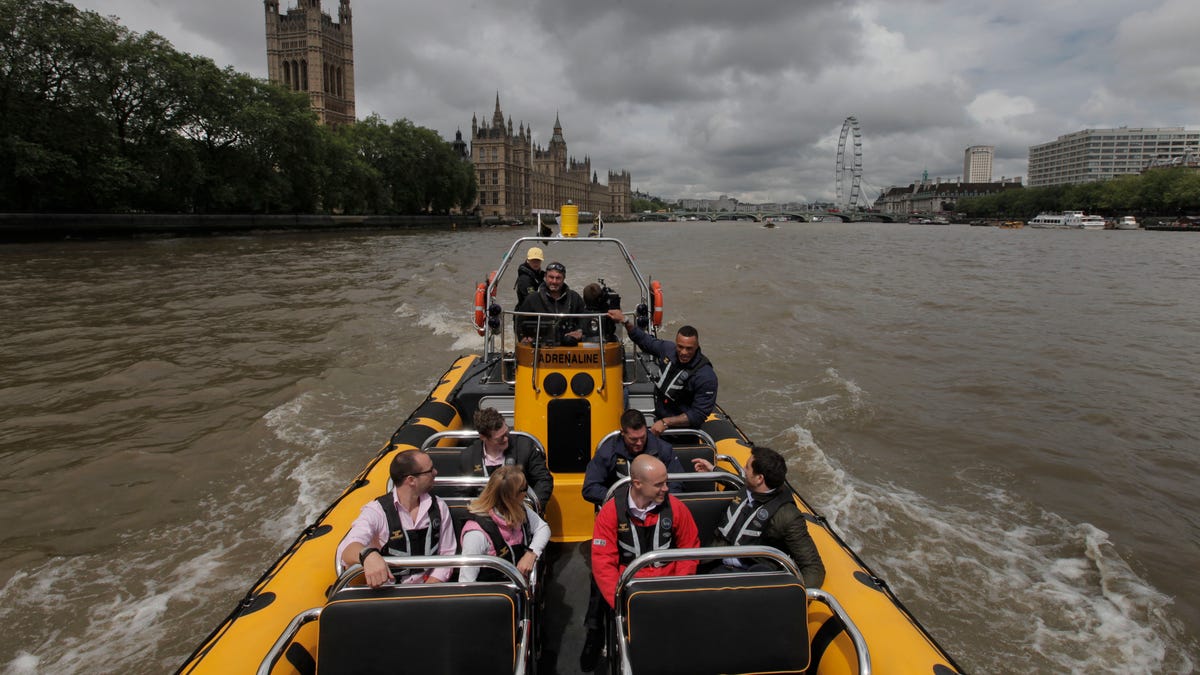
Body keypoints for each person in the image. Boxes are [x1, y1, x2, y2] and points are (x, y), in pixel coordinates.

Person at [583, 455, 699, 671]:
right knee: (597, 587)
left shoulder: (676, 508)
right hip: (628, 586)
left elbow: (689, 549)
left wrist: (679, 587)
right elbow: (603, 562)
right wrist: (620, 600)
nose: (666, 488)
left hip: (669, 584)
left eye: (666, 482)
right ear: (637, 484)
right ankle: (595, 634)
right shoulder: (610, 513)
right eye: (659, 484)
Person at [692, 446, 825, 588]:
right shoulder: (750, 488)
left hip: (749, 578)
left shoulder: (787, 516)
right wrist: (713, 470)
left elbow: (813, 567)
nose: (744, 468)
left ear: (759, 479)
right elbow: (740, 481)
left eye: (748, 467)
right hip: (716, 563)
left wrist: (792, 596)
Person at [337, 449, 456, 588]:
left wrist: (426, 590)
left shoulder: (439, 507)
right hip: (390, 594)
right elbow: (347, 548)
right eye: (430, 471)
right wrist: (368, 555)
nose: (435, 472)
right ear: (411, 480)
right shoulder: (377, 512)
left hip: (430, 589)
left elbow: (447, 554)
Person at [607, 309, 717, 434]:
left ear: (697, 347)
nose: (684, 352)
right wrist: (626, 321)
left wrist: (666, 422)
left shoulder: (706, 376)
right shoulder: (668, 350)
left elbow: (698, 415)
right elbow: (645, 341)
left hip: (683, 432)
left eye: (689, 349)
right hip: (659, 419)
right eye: (680, 347)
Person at [458, 466, 551, 582]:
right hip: (495, 595)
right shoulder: (476, 534)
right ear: (511, 498)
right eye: (524, 489)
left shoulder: (521, 510)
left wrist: (531, 554)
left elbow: (543, 528)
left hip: (519, 588)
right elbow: (466, 581)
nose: (527, 492)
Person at [582, 409, 684, 506]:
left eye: (642, 437)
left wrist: (660, 500)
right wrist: (622, 499)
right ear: (623, 433)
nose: (639, 443)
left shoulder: (663, 449)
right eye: (633, 439)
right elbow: (590, 488)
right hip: (620, 507)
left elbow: (677, 482)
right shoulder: (607, 452)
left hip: (657, 506)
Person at [460, 407, 553, 509]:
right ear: (483, 437)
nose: (506, 439)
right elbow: (461, 494)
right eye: (500, 438)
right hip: (484, 514)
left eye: (506, 433)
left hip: (521, 510)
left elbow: (544, 480)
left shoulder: (524, 447)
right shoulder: (468, 457)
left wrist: (530, 508)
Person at [518, 261, 585, 344]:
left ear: (564, 278)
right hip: (540, 347)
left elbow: (585, 319)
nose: (554, 281)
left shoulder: (575, 298)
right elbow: (520, 322)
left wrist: (580, 331)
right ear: (545, 277)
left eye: (558, 278)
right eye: (551, 277)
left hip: (570, 347)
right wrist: (523, 338)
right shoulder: (532, 299)